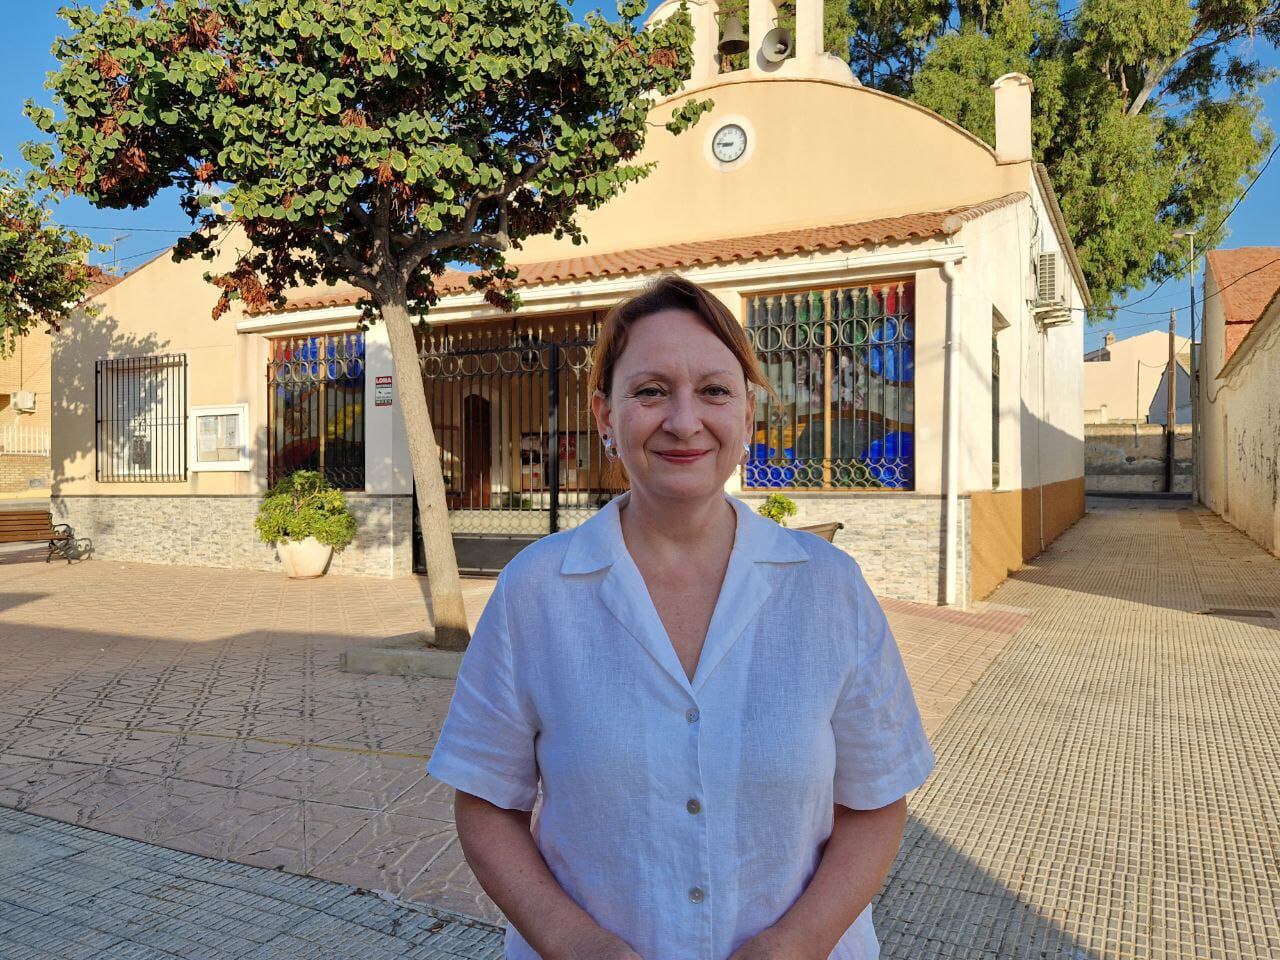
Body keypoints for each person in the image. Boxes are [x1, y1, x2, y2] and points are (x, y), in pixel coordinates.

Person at [427, 275, 934, 960]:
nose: (684, 420)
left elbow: (875, 801)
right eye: (651, 390)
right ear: (606, 416)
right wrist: (576, 944)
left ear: (749, 415)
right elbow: (487, 803)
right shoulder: (535, 592)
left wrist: (795, 944)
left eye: (714, 390)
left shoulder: (828, 589)